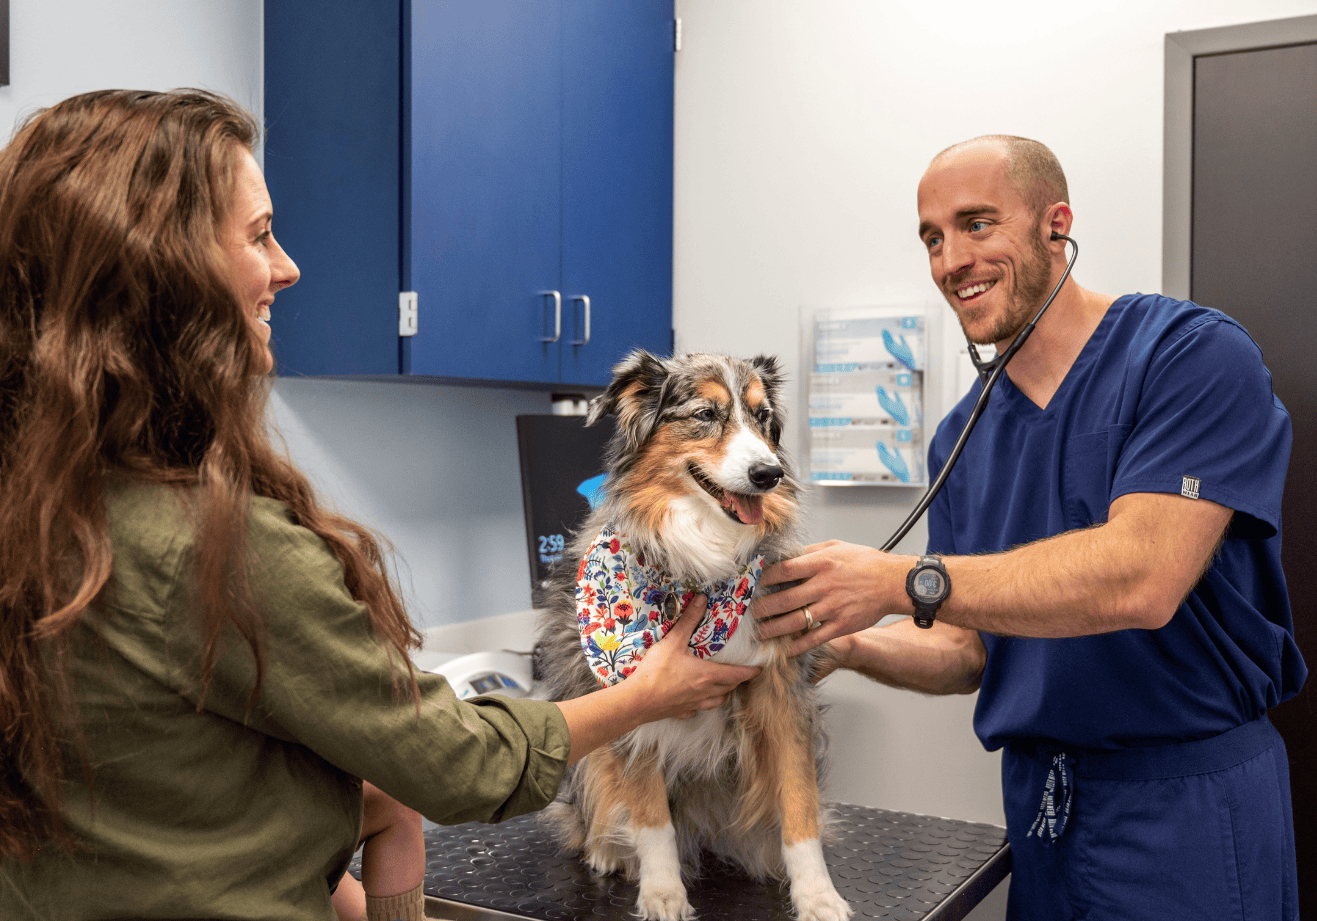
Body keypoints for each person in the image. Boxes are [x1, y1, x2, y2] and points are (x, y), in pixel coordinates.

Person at [0, 89, 758, 921]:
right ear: (164, 267)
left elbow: (172, 795)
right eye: (259, 235)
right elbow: (455, 764)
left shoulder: (37, 513)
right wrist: (646, 692)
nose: (288, 266)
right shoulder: (218, 547)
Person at [754, 135, 1305, 920]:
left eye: (977, 224)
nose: (951, 260)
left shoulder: (1188, 356)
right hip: (1043, 813)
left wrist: (895, 580)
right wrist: (835, 639)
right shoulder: (959, 438)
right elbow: (963, 647)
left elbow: (1142, 576)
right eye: (932, 238)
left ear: (1056, 225)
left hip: (1186, 806)